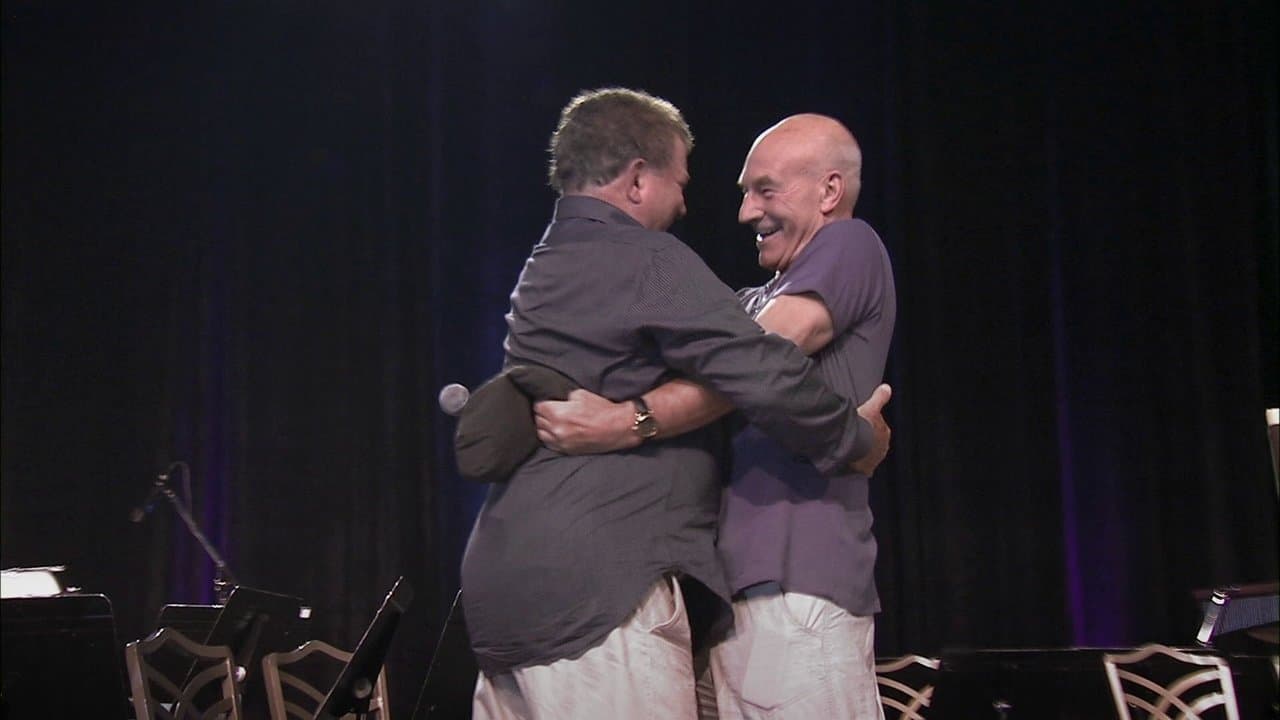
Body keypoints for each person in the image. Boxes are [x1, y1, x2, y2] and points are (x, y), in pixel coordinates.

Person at [459, 89, 891, 720]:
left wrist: (627, 418)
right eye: (681, 182)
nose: (725, 209)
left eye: (764, 190)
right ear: (638, 180)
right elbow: (760, 366)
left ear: (830, 191)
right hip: (601, 593)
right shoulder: (643, 259)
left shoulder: (548, 263)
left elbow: (757, 353)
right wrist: (859, 440)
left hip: (518, 590)